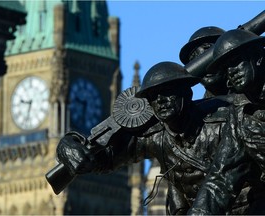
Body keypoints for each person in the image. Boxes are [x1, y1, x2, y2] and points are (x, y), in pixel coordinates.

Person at [56, 61, 253, 215]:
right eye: (153, 97)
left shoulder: (226, 119)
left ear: (187, 93)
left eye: (167, 94)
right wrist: (67, 145)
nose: (160, 101)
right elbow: (103, 158)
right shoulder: (155, 135)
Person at [188, 29, 265, 215]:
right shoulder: (240, 115)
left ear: (258, 58)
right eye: (227, 67)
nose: (231, 71)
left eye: (236, 62)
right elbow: (220, 180)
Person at [179, 26, 228, 98]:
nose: (207, 68)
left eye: (209, 58)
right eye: (199, 63)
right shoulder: (197, 108)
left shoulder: (249, 97)